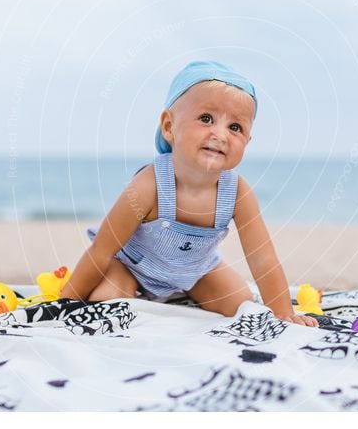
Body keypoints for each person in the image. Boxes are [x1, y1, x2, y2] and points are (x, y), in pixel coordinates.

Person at [61, 61, 318, 327]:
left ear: (248, 141)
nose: (220, 135)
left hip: (194, 271)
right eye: (206, 119)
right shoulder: (150, 185)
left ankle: (185, 293)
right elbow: (102, 249)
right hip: (131, 266)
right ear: (169, 126)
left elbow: (262, 258)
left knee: (242, 303)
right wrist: (63, 303)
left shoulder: (237, 192)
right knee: (107, 301)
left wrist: (283, 313)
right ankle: (123, 290)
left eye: (235, 127)